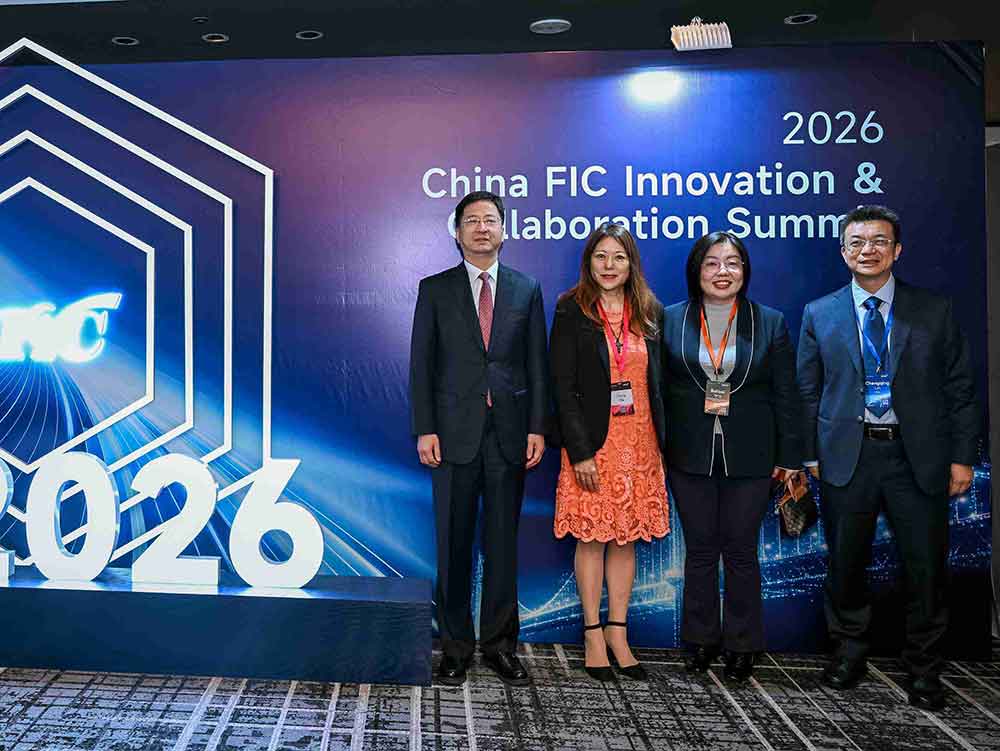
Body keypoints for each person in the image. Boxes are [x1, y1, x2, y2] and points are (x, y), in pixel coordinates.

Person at [797, 205, 979, 710]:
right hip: (847, 457)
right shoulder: (819, 312)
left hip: (916, 457)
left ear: (896, 250)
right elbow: (807, 391)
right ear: (843, 252)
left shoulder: (933, 310)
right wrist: (810, 455)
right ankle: (848, 655)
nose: (867, 250)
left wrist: (962, 458)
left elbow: (961, 389)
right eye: (856, 242)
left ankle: (925, 669)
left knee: (925, 569)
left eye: (878, 241)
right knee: (845, 565)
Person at [409, 190, 548, 687]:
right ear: (458, 232)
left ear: (504, 231)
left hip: (509, 436)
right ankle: (455, 648)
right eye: (472, 221)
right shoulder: (435, 289)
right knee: (453, 545)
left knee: (502, 545)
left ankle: (500, 646)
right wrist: (425, 428)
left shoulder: (526, 288)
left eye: (490, 220)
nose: (482, 228)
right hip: (451, 437)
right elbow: (422, 365)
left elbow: (537, 364)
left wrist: (537, 427)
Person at [662, 231, 802, 681]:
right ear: (696, 271)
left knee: (742, 551)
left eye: (732, 263)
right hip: (688, 454)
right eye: (712, 263)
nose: (722, 272)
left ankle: (743, 644)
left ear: (745, 271)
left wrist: (790, 457)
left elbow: (787, 395)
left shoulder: (770, 322)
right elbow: (658, 391)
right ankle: (700, 640)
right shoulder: (670, 319)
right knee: (700, 549)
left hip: (753, 456)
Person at [550, 222, 669, 682]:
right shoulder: (572, 309)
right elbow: (562, 387)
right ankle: (592, 635)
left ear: (631, 264)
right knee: (593, 538)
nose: (609, 265)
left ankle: (619, 633)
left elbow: (658, 383)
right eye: (600, 256)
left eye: (619, 257)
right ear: (589, 262)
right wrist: (579, 452)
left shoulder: (649, 311)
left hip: (640, 444)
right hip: (593, 446)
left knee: (625, 540)